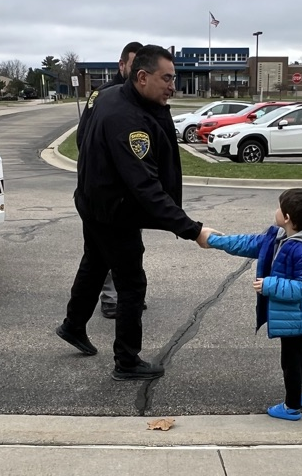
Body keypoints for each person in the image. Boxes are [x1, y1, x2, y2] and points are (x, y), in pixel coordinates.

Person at [57, 45, 209, 381]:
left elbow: (83, 140)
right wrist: (192, 229)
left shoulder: (106, 96)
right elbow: (146, 186)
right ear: (142, 77)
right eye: (166, 79)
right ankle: (127, 360)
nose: (173, 86)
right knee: (131, 285)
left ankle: (72, 325)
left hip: (92, 203)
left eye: (174, 78)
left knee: (95, 264)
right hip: (115, 213)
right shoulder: (129, 122)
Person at [200, 188, 302, 421]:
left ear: (287, 218)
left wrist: (270, 285)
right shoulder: (278, 237)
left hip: (295, 318)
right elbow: (247, 243)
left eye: (279, 208)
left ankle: (292, 407)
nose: (275, 211)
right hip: (295, 317)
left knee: (290, 362)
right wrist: (213, 241)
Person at [75, 41, 143, 319]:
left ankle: (75, 323)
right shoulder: (103, 95)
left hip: (126, 195)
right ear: (122, 65)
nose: (138, 71)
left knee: (107, 252)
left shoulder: (138, 97)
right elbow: (84, 139)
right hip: (104, 194)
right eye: (134, 64)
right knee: (108, 250)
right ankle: (113, 299)